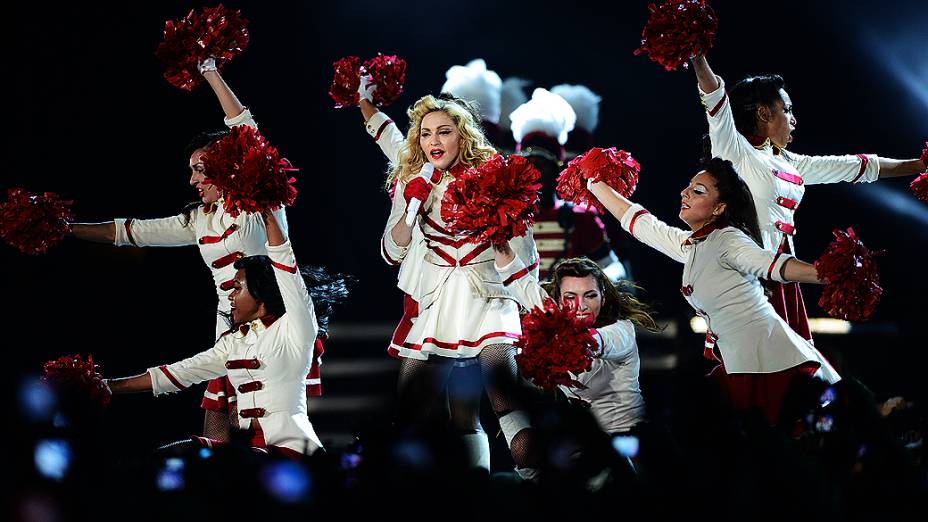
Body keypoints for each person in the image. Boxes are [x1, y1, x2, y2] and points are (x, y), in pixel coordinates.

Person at [67, 61, 320, 441]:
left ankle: (297, 468)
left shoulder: (261, 205)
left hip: (277, 317)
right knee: (218, 408)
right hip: (231, 323)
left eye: (201, 169)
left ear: (227, 168)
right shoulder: (198, 220)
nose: (192, 180)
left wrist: (210, 71)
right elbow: (131, 232)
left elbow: (245, 129)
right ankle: (219, 481)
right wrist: (66, 229)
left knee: (271, 411)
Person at [690, 54, 926, 340]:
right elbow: (714, 96)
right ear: (764, 113)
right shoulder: (733, 150)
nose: (794, 119)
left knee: (795, 372)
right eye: (786, 109)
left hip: (782, 277)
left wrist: (919, 165)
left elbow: (857, 166)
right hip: (742, 274)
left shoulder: (791, 163)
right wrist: (697, 54)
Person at [588, 157, 840, 424]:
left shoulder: (728, 239)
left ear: (719, 207)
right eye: (688, 187)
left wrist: (830, 275)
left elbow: (774, 265)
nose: (685, 193)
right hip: (742, 365)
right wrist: (593, 182)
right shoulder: (695, 244)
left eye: (698, 191)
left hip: (771, 365)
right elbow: (644, 224)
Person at [378, 92, 539, 477]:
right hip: (438, 305)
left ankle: (544, 485)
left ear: (463, 136)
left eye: (444, 132)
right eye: (426, 134)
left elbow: (525, 253)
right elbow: (390, 251)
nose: (433, 141)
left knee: (504, 401)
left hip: (488, 298)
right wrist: (412, 207)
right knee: (409, 412)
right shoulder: (410, 181)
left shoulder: (496, 177)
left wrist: (503, 242)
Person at [105, 211, 323, 458]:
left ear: (261, 294)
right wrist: (107, 387)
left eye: (237, 288)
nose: (229, 296)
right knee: (177, 453)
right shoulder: (234, 342)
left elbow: (285, 262)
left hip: (291, 452)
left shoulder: (295, 329)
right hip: (250, 450)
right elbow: (179, 373)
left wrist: (268, 212)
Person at [492, 252, 658, 435]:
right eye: (570, 297)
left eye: (590, 295)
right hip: (584, 443)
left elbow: (589, 341)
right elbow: (518, 280)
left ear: (603, 296)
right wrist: (497, 237)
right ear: (559, 300)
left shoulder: (622, 330)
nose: (580, 305)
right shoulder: (555, 320)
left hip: (629, 438)